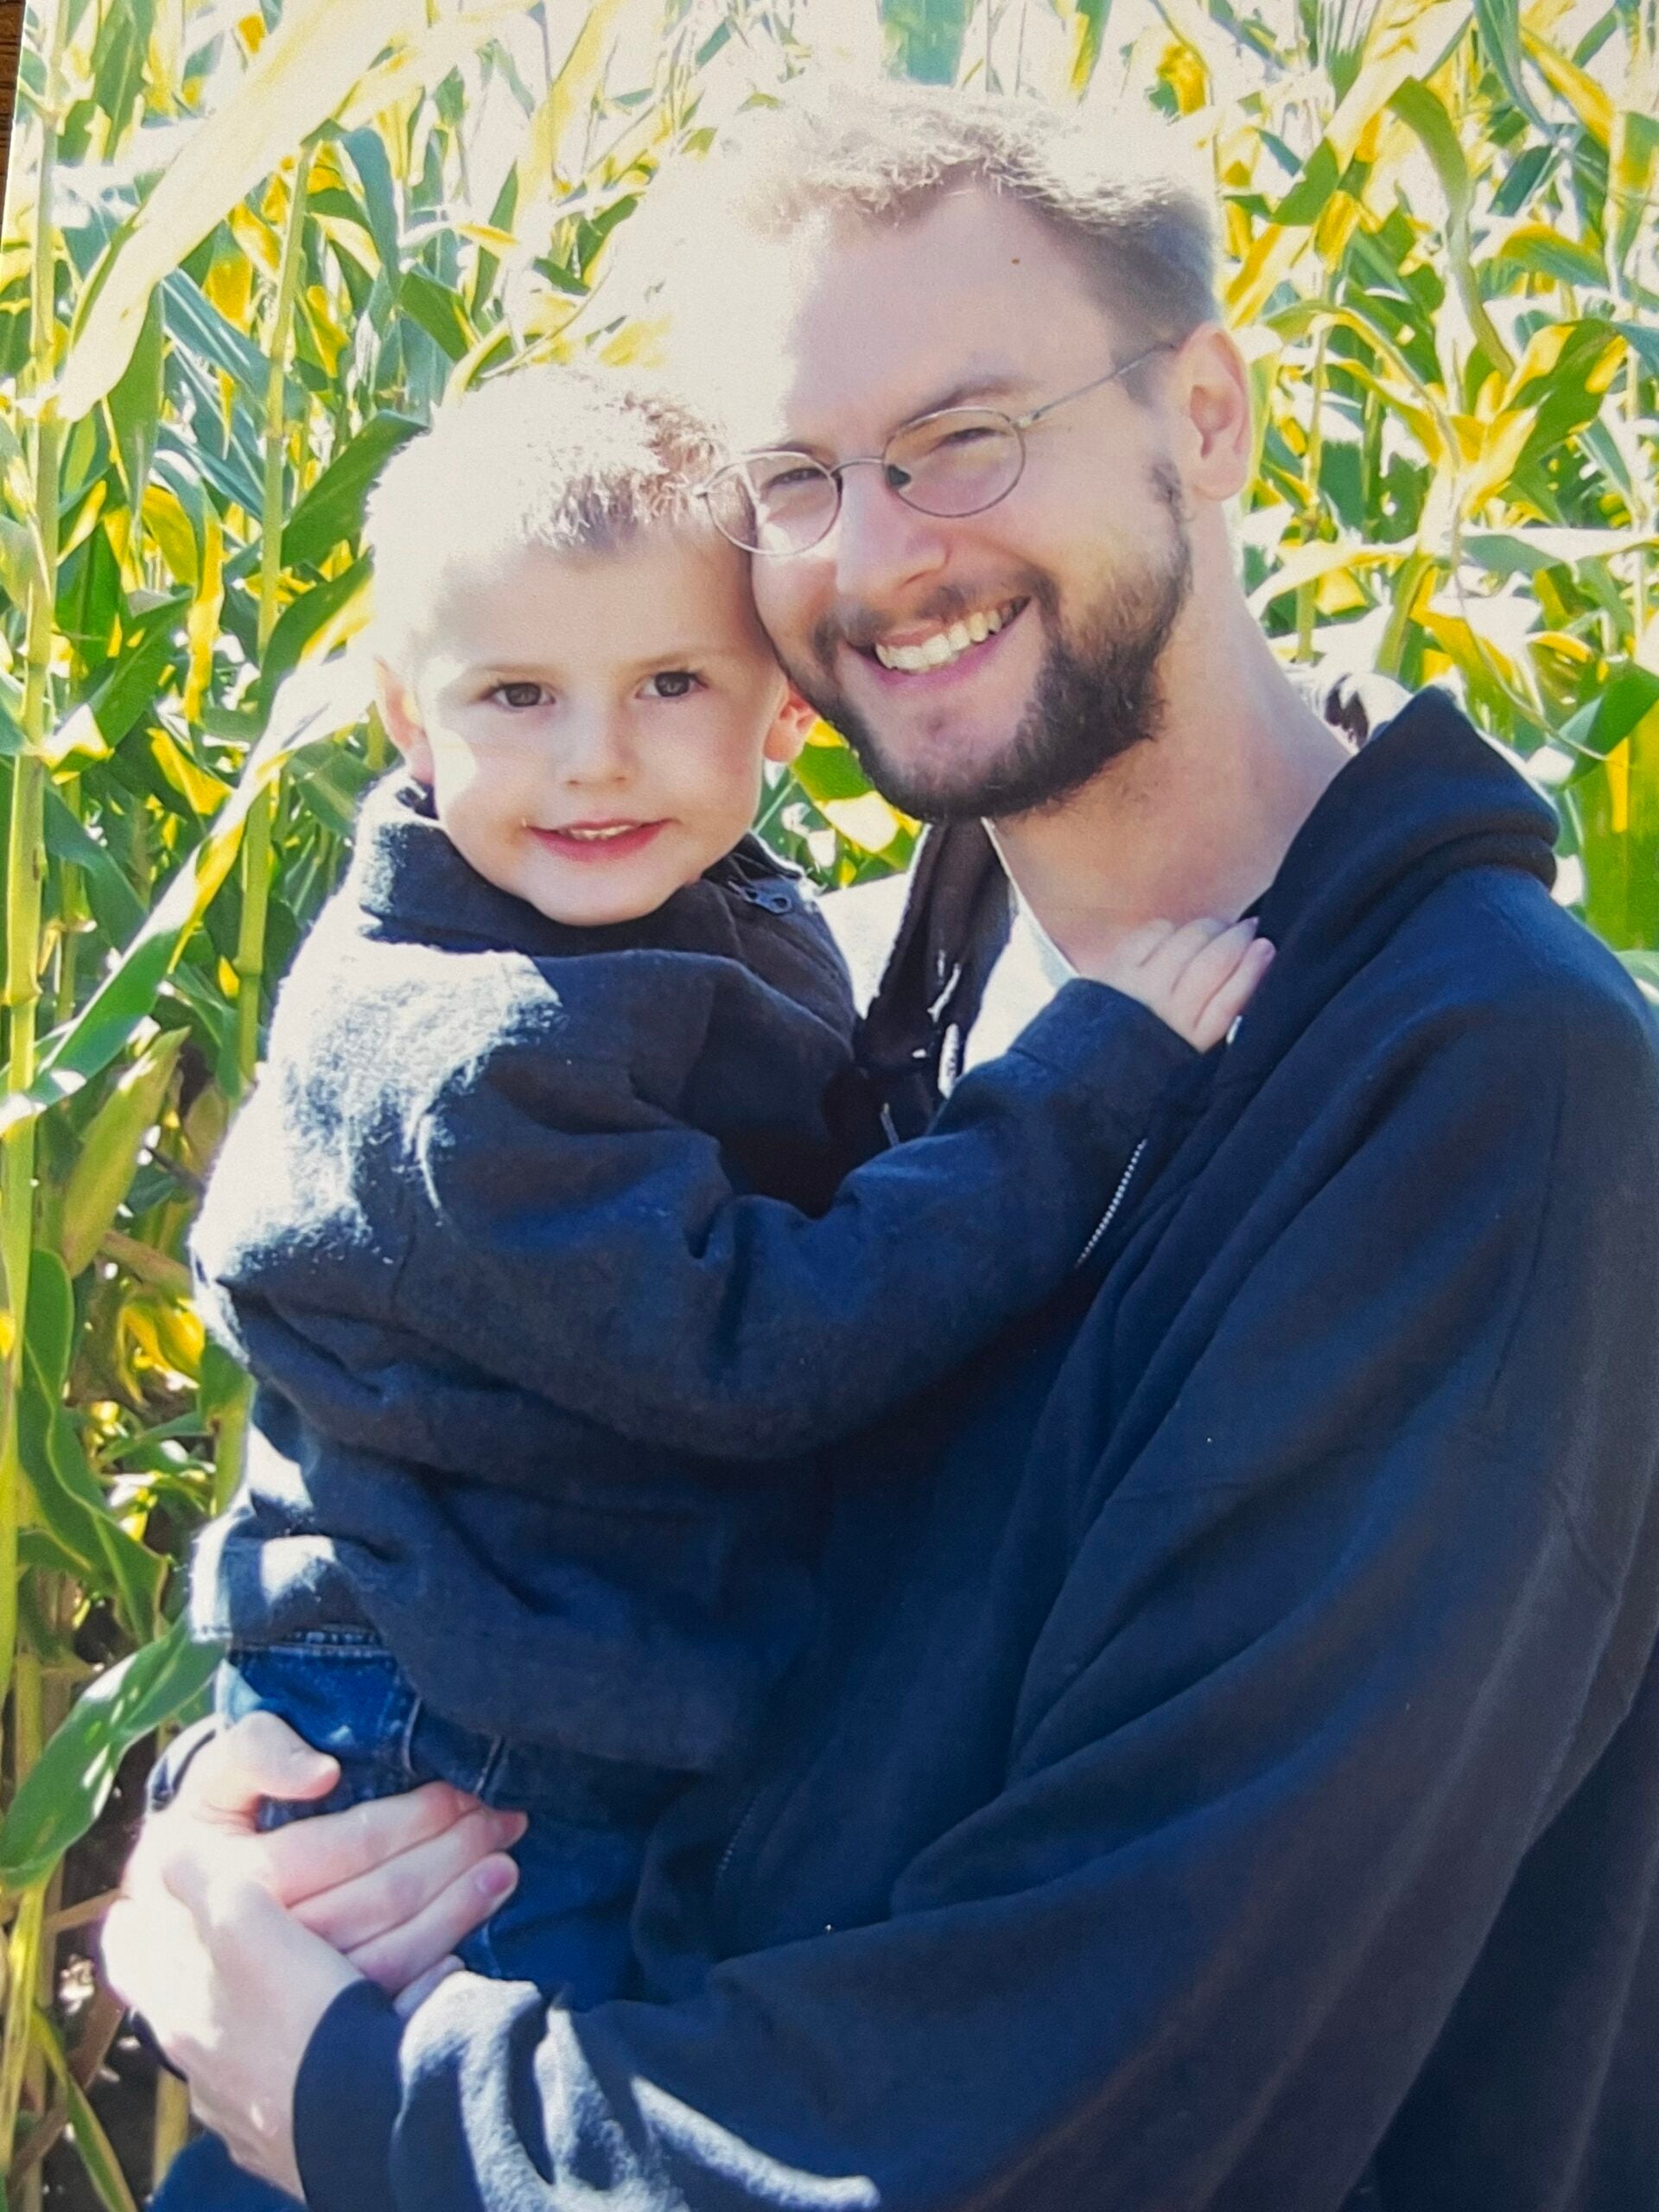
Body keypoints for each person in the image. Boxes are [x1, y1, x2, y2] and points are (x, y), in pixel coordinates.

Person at [108, 86, 1659, 2212]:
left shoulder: (1494, 1101)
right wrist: (233, 1849)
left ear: (1205, 410)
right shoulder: (827, 984)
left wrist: (372, 2095)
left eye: (964, 438)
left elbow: (1096, 2081)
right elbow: (426, 1476)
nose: (879, 547)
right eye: (800, 478)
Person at [146, 359, 1268, 2204]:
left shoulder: (690, 901)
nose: (598, 754)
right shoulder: (469, 1065)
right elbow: (763, 1339)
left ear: (780, 714)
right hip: (457, 1724)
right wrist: (1087, 1080)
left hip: (551, 1636)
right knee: (426, 2103)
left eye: (671, 684)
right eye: (518, 694)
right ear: (402, 716)